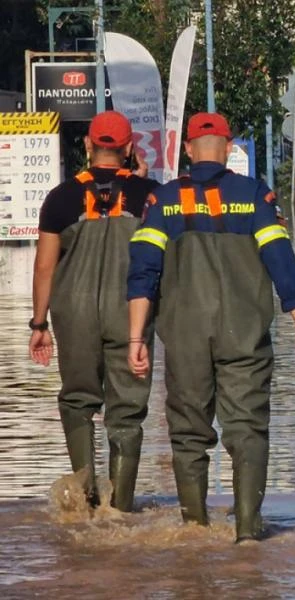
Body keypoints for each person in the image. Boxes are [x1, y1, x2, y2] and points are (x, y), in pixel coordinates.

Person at [125, 112, 295, 542]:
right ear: (229, 148)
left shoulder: (161, 202)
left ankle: (195, 532)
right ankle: (249, 533)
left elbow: (143, 273)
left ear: (189, 149)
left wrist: (136, 337)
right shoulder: (255, 196)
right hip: (245, 332)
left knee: (189, 434)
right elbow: (281, 262)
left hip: (184, 335)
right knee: (247, 428)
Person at [28, 110, 158, 511]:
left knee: (78, 402)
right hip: (130, 312)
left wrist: (38, 323)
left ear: (88, 145)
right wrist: (143, 178)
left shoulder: (61, 198)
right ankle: (119, 510)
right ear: (128, 148)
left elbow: (45, 266)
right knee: (127, 410)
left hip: (75, 312)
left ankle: (84, 503)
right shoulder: (148, 195)